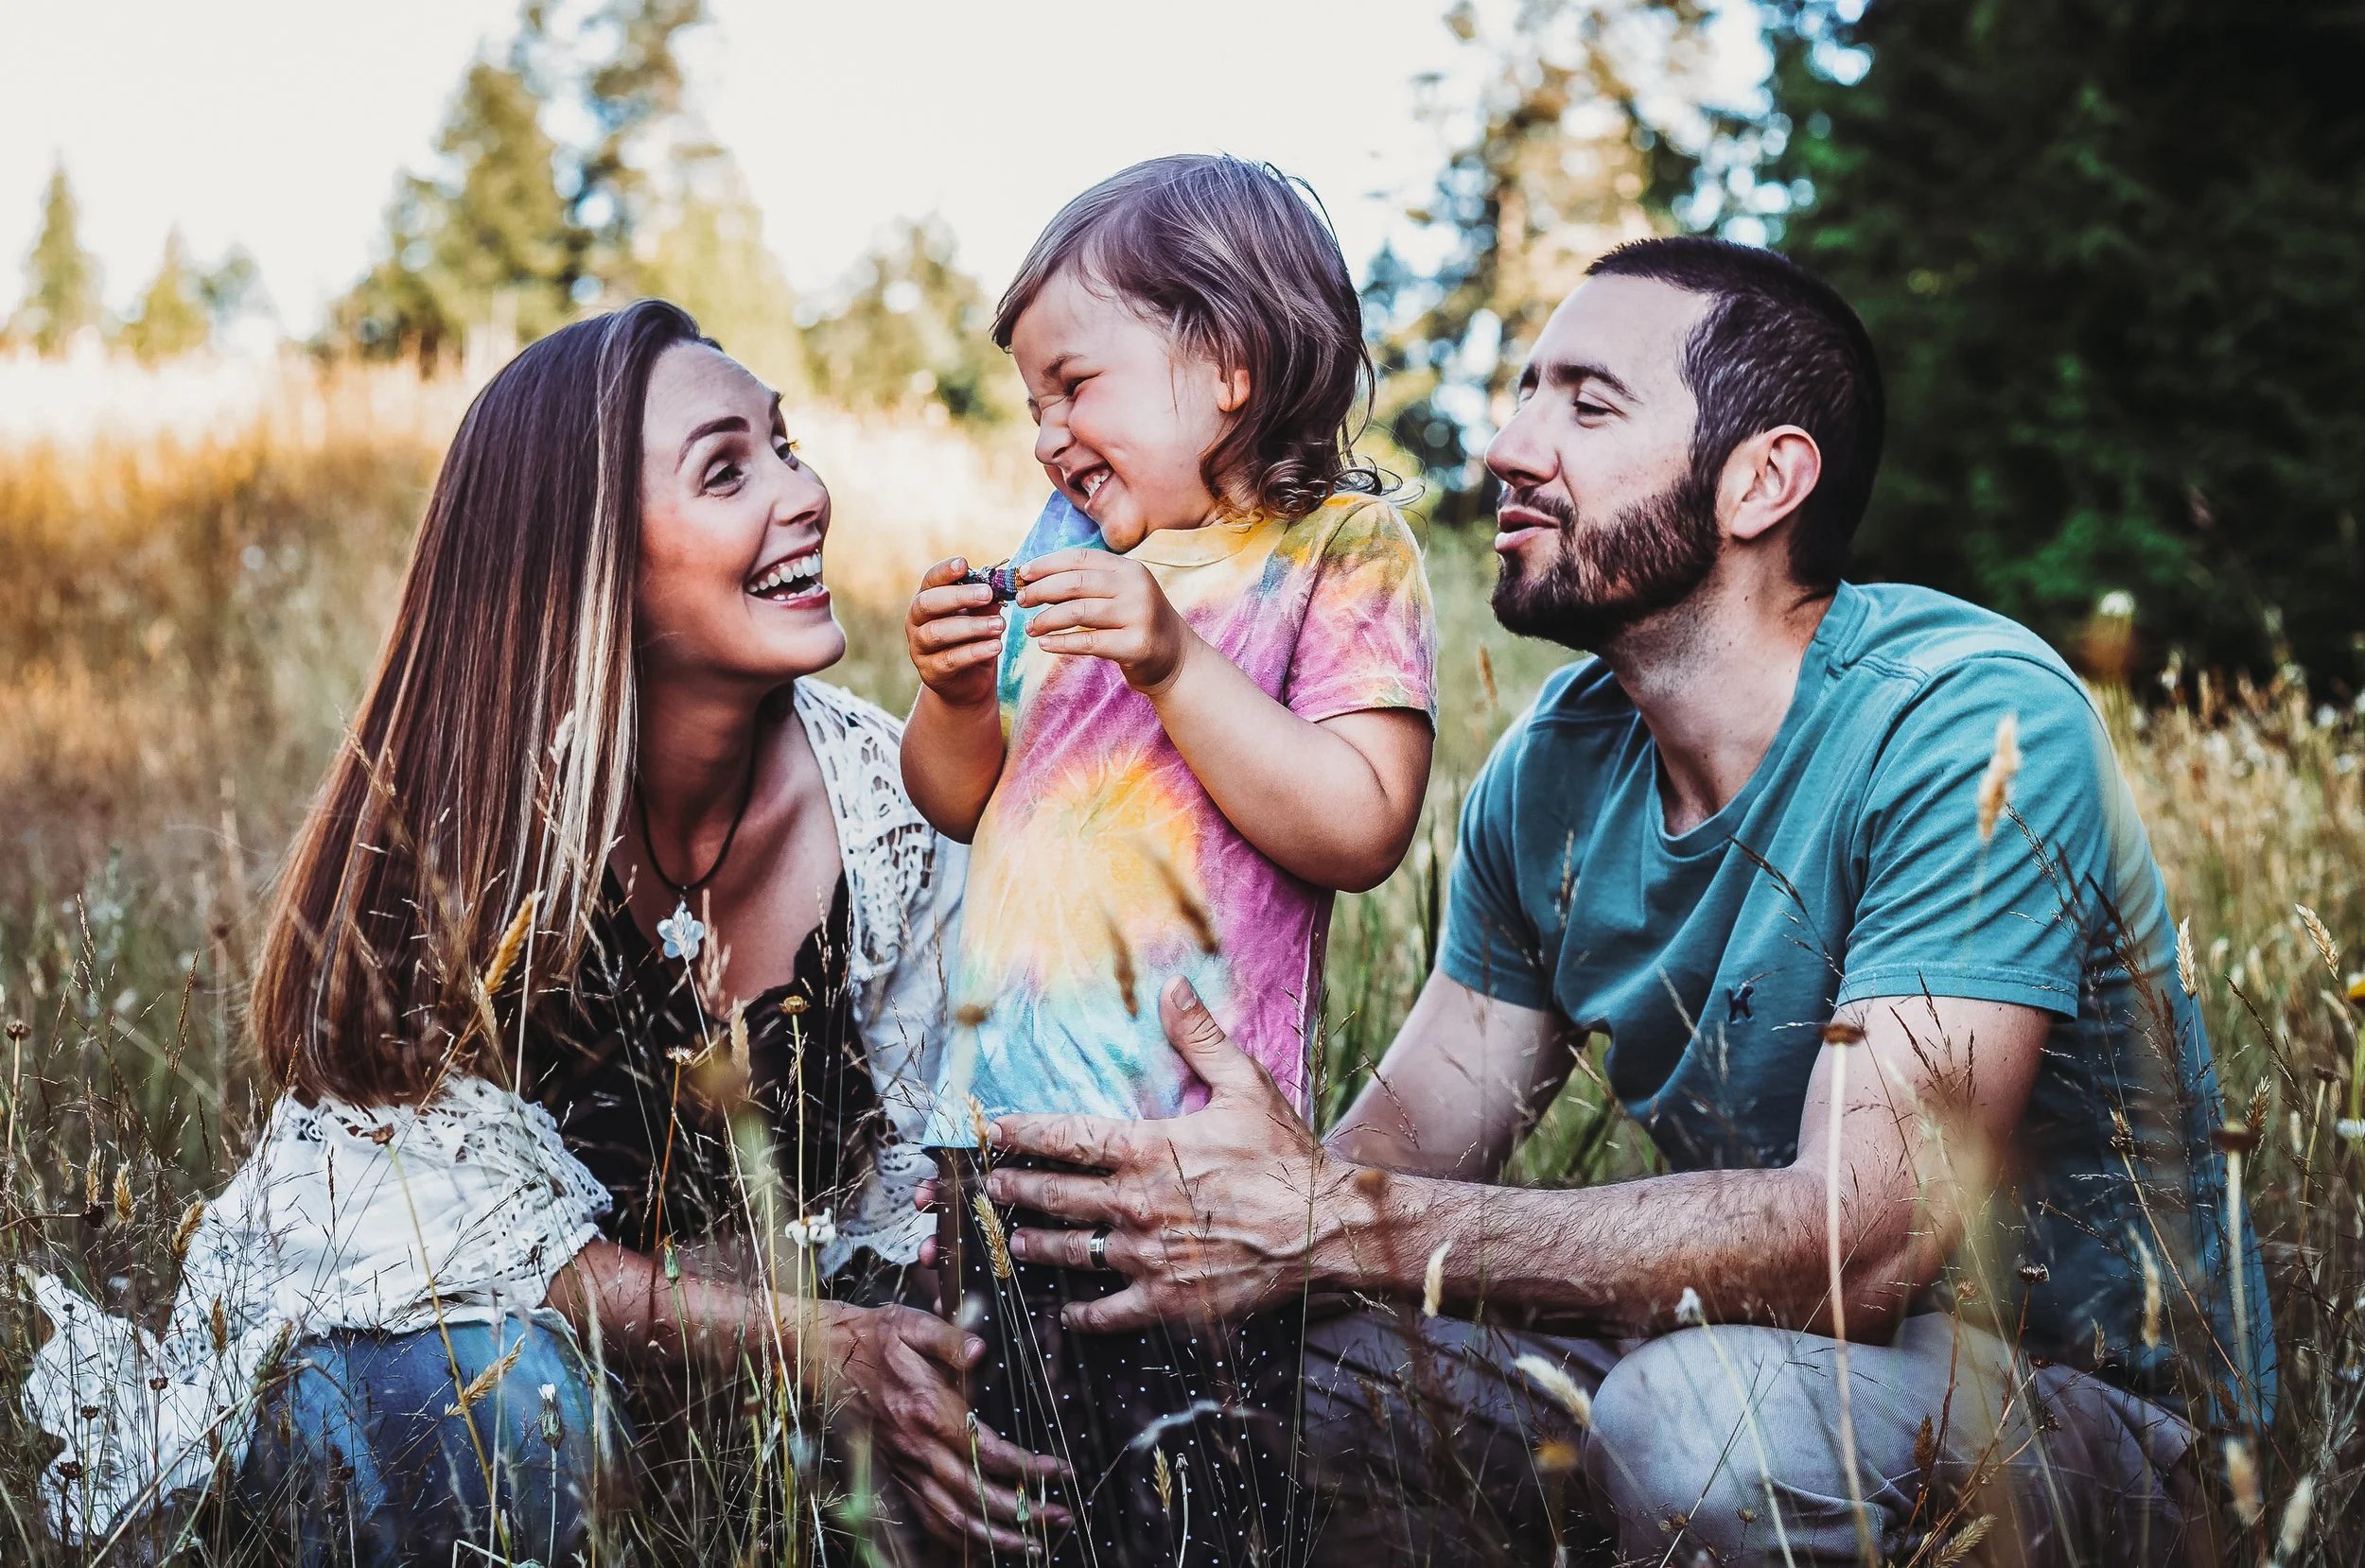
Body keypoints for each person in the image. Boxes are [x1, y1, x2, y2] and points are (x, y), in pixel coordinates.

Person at [971, 237, 2272, 1566]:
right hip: (1726, 1361)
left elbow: (1860, 1246)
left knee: (1696, 1423)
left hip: (2101, 1430)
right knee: (1261, 1375)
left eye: (1587, 405)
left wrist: (1328, 1220)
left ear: (1764, 478)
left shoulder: (1970, 723)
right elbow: (1411, 1144)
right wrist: (1227, 1205)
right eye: (1525, 393)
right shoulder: (1555, 765)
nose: (1510, 446)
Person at [22, 300, 1059, 1565]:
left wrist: (915, 1371)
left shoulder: (893, 808)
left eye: (785, 446)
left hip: (743, 1405)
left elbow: (918, 1197)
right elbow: (448, 1239)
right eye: (727, 469)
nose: (806, 495)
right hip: (435, 1361)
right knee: (500, 1402)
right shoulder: (452, 834)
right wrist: (814, 1344)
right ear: (589, 559)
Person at [898, 154, 1438, 1564]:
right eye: (1031, 406)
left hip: (1186, 1171)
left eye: (1074, 385)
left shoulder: (1340, 551)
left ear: (1230, 364)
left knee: (1177, 1511)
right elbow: (961, 800)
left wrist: (1171, 655)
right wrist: (955, 695)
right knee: (1001, 1502)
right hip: (993, 1148)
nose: (1046, 437)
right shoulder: (1068, 542)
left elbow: (1359, 819)